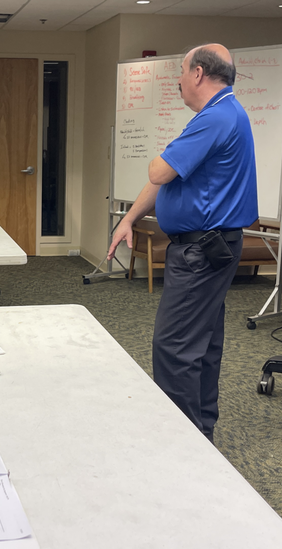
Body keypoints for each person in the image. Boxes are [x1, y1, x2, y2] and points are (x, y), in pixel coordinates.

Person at [107, 44, 257, 442]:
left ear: (198, 73)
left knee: (174, 346)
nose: (177, 79)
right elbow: (167, 180)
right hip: (209, 248)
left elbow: (159, 171)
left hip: (200, 252)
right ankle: (200, 432)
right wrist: (129, 219)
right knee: (203, 343)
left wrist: (168, 150)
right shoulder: (223, 114)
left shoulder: (216, 117)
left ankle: (183, 445)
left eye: (181, 71)